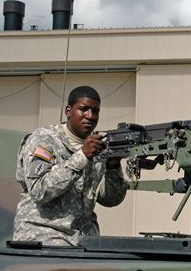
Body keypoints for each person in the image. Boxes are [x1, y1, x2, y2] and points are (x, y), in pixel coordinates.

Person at [13, 86, 128, 246]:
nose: (90, 116)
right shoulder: (44, 140)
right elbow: (39, 191)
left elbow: (110, 200)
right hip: (43, 236)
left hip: (84, 239)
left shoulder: (97, 146)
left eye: (95, 111)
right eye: (83, 109)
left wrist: (113, 168)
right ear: (68, 111)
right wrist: (81, 156)